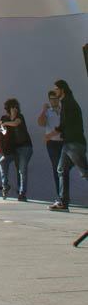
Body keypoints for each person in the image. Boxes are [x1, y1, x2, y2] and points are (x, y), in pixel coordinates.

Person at [49, 79, 87, 211]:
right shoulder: (67, 102)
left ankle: (63, 202)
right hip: (70, 143)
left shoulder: (68, 103)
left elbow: (65, 123)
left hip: (74, 143)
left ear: (62, 90)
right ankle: (63, 203)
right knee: (62, 169)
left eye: (56, 89)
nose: (55, 92)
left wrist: (54, 132)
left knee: (85, 171)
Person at [0, 99, 33, 201]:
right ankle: (5, 185)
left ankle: (22, 193)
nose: (15, 109)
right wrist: (0, 125)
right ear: (8, 108)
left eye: (16, 107)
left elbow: (16, 123)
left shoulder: (19, 117)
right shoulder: (5, 118)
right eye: (13, 107)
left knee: (22, 170)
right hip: (14, 149)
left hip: (25, 148)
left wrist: (5, 123)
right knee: (2, 162)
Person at [38, 90, 66, 209]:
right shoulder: (48, 112)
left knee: (64, 169)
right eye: (51, 99)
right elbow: (40, 123)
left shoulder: (64, 111)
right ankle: (60, 197)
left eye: (55, 98)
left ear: (58, 99)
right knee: (56, 169)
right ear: (49, 100)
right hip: (52, 144)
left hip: (64, 143)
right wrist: (44, 110)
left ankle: (64, 197)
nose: (54, 100)